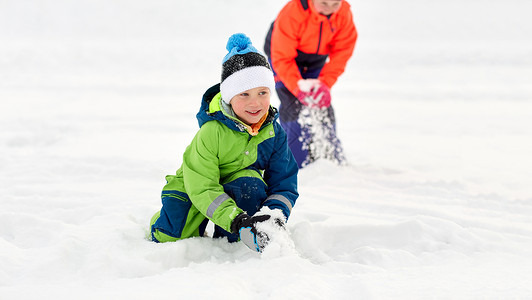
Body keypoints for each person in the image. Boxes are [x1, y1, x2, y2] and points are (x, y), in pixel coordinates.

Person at [149, 33, 299, 253]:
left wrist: (274, 214)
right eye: (244, 94)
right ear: (229, 97)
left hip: (238, 185)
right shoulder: (212, 132)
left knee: (250, 185)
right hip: (195, 185)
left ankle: (231, 242)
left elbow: (284, 181)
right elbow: (203, 185)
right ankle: (173, 224)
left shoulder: (274, 132)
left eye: (262, 93)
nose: (255, 102)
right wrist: (234, 218)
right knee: (170, 236)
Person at [264, 0, 358, 168]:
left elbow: (342, 52)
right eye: (324, 3)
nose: (330, 9)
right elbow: (282, 58)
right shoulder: (293, 13)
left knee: (322, 104)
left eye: (335, 4)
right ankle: (293, 163)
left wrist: (325, 83)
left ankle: (331, 159)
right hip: (282, 56)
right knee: (293, 106)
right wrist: (296, 87)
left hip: (315, 60)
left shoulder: (343, 13)